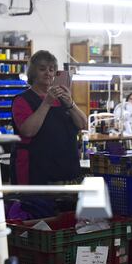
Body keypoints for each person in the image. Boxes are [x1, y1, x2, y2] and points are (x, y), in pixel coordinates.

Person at [11, 51, 88, 185]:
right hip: (38, 176)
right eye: (42, 69)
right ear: (33, 73)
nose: (48, 73)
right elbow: (28, 131)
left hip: (68, 174)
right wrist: (47, 102)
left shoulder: (63, 100)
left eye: (52, 70)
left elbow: (82, 124)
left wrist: (71, 103)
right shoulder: (22, 100)